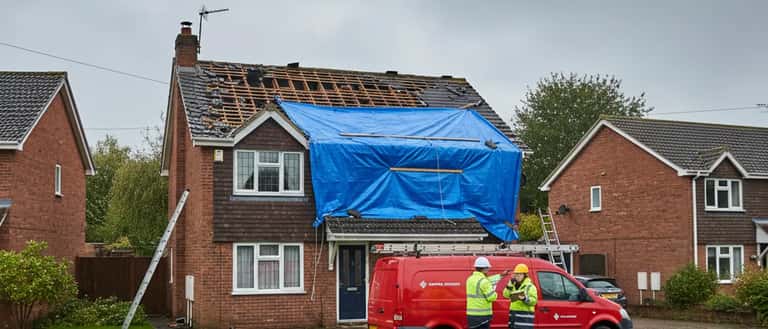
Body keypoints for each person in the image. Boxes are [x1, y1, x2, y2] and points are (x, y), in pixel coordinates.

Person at [466, 257, 510, 329]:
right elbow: (492, 297)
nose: (489, 269)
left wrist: (501, 275)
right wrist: (493, 290)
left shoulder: (470, 279)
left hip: (471, 316)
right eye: (488, 268)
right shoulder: (484, 281)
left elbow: (487, 280)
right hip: (482, 316)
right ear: (485, 268)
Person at [503, 264, 538, 329]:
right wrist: (509, 284)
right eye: (516, 274)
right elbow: (505, 295)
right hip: (513, 317)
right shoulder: (512, 285)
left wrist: (525, 298)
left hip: (525, 318)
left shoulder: (530, 286)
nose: (517, 276)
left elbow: (534, 301)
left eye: (520, 274)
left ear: (525, 275)